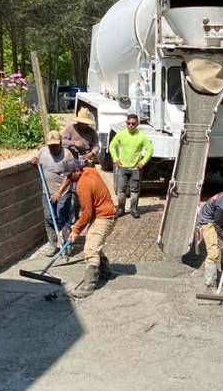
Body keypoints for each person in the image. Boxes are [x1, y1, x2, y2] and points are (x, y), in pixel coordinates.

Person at [66, 158, 117, 298]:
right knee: (92, 241)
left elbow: (87, 213)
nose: (68, 178)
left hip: (104, 217)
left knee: (90, 248)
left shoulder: (83, 184)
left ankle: (89, 285)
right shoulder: (90, 171)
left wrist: (76, 230)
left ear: (77, 171)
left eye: (69, 175)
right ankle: (106, 271)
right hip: (106, 212)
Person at [31, 130, 77, 256]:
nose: (52, 148)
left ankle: (67, 245)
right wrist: (35, 163)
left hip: (63, 193)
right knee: (49, 218)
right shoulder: (42, 152)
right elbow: (40, 167)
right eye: (50, 145)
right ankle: (53, 245)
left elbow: (70, 176)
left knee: (63, 218)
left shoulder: (67, 155)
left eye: (55, 145)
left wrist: (58, 193)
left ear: (60, 143)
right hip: (47, 192)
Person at [109, 114, 153, 219]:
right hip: (122, 168)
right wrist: (115, 159)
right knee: (121, 190)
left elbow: (150, 150)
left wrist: (142, 162)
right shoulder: (121, 135)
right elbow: (112, 146)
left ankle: (133, 209)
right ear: (126, 123)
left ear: (137, 124)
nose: (131, 126)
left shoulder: (141, 136)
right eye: (128, 123)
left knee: (135, 190)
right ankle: (120, 209)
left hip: (135, 168)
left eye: (133, 124)